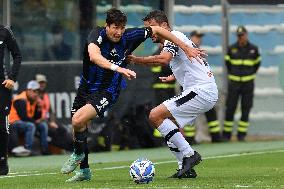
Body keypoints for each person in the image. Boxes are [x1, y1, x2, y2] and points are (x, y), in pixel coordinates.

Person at [60, 8, 205, 182]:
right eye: (115, 27)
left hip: (108, 89)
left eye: (122, 27)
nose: (118, 32)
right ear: (107, 26)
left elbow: (158, 30)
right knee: (79, 125)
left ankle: (77, 153)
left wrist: (185, 47)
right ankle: (84, 170)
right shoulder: (96, 33)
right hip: (86, 87)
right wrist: (118, 67)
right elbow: (93, 56)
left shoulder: (130, 36)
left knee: (78, 120)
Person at [127, 10, 218, 179]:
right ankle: (185, 167)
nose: (150, 33)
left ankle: (190, 155)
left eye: (152, 28)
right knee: (168, 127)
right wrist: (174, 75)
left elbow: (163, 59)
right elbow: (187, 63)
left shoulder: (171, 36)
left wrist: (135, 60)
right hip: (204, 91)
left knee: (155, 115)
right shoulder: (178, 38)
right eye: (148, 29)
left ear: (164, 26)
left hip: (201, 91)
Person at [223, 26, 261, 141]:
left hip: (248, 84)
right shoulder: (231, 49)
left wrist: (248, 75)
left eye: (242, 35)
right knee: (230, 108)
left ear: (246, 35)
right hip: (234, 83)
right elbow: (228, 65)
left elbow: (257, 65)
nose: (241, 38)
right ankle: (227, 135)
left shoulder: (254, 49)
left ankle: (241, 135)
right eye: (239, 36)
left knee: (246, 108)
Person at [183, 30, 221, 143]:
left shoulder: (198, 51)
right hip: (191, 87)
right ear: (191, 38)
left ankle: (216, 137)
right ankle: (190, 139)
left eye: (200, 37)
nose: (199, 39)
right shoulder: (186, 50)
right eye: (197, 37)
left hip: (202, 87)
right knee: (190, 112)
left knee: (210, 111)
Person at [0, 25, 22, 175]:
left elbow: (17, 55)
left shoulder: (4, 31)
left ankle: (2, 161)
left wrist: (12, 78)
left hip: (2, 86)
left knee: (2, 125)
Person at [9, 81, 42, 155]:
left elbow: (36, 117)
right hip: (13, 122)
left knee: (43, 126)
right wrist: (34, 122)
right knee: (30, 125)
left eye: (37, 92)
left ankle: (45, 150)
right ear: (28, 90)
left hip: (21, 122)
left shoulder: (33, 100)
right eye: (34, 91)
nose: (36, 94)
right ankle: (27, 150)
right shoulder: (21, 99)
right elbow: (23, 117)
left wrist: (39, 108)